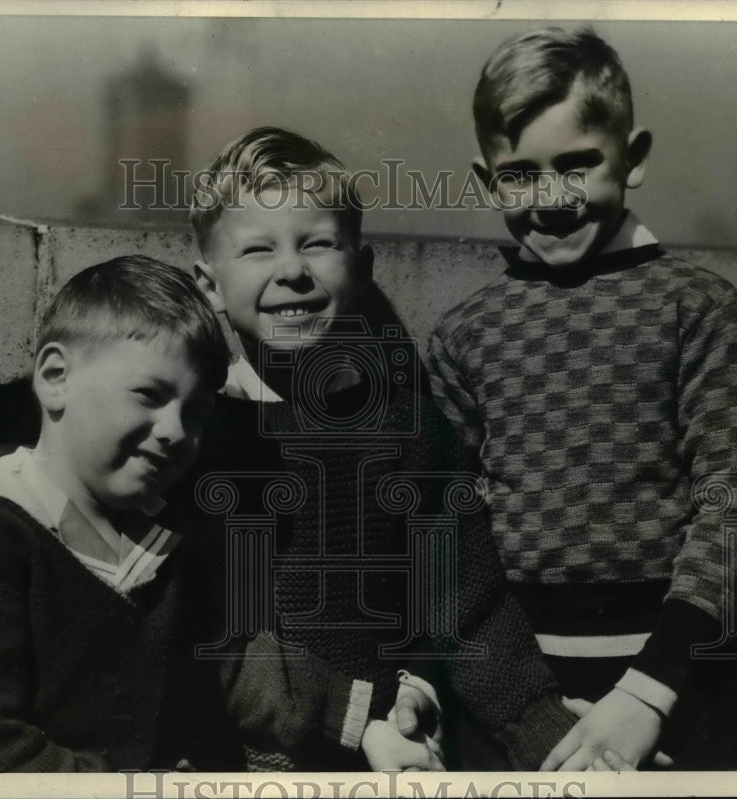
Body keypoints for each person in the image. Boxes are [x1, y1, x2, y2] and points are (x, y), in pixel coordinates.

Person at [187, 126, 581, 771]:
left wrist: (548, 737)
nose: (291, 270)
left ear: (362, 268)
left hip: (390, 755)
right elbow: (196, 638)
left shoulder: (409, 432)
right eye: (258, 250)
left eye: (318, 243)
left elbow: (468, 609)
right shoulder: (188, 439)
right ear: (208, 287)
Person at [427, 27, 737, 769]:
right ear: (488, 180)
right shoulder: (463, 333)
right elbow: (451, 531)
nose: (550, 199)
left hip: (679, 681)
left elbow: (735, 500)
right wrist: (524, 705)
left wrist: (649, 692)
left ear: (633, 158)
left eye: (578, 164)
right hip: (515, 687)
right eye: (519, 174)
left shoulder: (698, 307)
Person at [0, 256, 245, 771]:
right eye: (150, 395)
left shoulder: (162, 542)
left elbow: (232, 670)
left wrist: (367, 722)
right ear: (55, 378)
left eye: (196, 413)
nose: (174, 430)